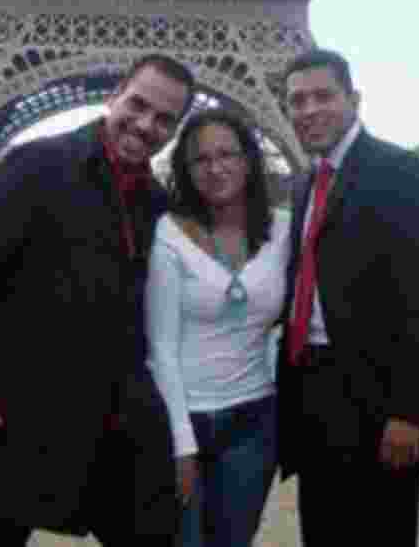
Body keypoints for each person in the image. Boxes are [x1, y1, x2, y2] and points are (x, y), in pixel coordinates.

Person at [0, 54, 195, 546]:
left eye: (163, 119)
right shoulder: (37, 163)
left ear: (173, 130)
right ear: (116, 95)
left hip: (111, 415)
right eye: (138, 105)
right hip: (21, 401)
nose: (145, 124)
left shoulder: (157, 203)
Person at [276, 47, 419, 547]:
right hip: (313, 390)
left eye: (323, 96)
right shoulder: (306, 183)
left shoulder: (397, 170)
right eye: (297, 101)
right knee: (322, 532)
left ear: (353, 100)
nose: (309, 109)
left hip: (379, 399)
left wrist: (409, 412)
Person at [146, 108, 290, 547]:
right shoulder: (168, 234)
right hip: (181, 419)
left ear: (248, 159)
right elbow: (161, 347)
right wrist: (182, 445)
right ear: (186, 171)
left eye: (227, 154)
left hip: (254, 421)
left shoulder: (284, 231)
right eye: (201, 159)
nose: (215, 168)